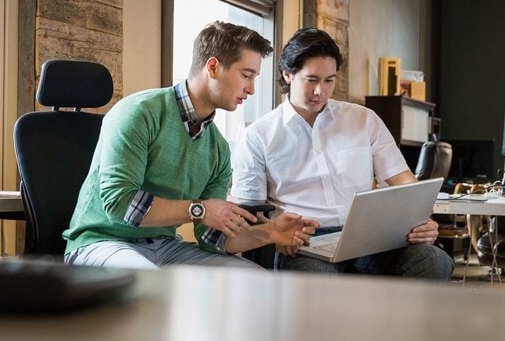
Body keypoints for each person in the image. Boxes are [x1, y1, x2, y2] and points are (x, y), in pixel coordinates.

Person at [64, 21, 316, 269]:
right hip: (101, 243)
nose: (250, 89)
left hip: (165, 246)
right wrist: (200, 209)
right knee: (151, 286)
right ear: (213, 67)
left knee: (256, 280)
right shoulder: (139, 113)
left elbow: (210, 237)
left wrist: (270, 233)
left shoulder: (218, 148)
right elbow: (119, 205)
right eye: (246, 75)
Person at [230, 27, 453, 279]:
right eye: (311, 80)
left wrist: (422, 219)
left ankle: (401, 320)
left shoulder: (363, 119)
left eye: (329, 80)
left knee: (433, 261)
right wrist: (274, 232)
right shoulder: (259, 135)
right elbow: (249, 212)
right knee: (319, 283)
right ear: (288, 75)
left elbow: (402, 180)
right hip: (304, 242)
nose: (320, 92)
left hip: (367, 237)